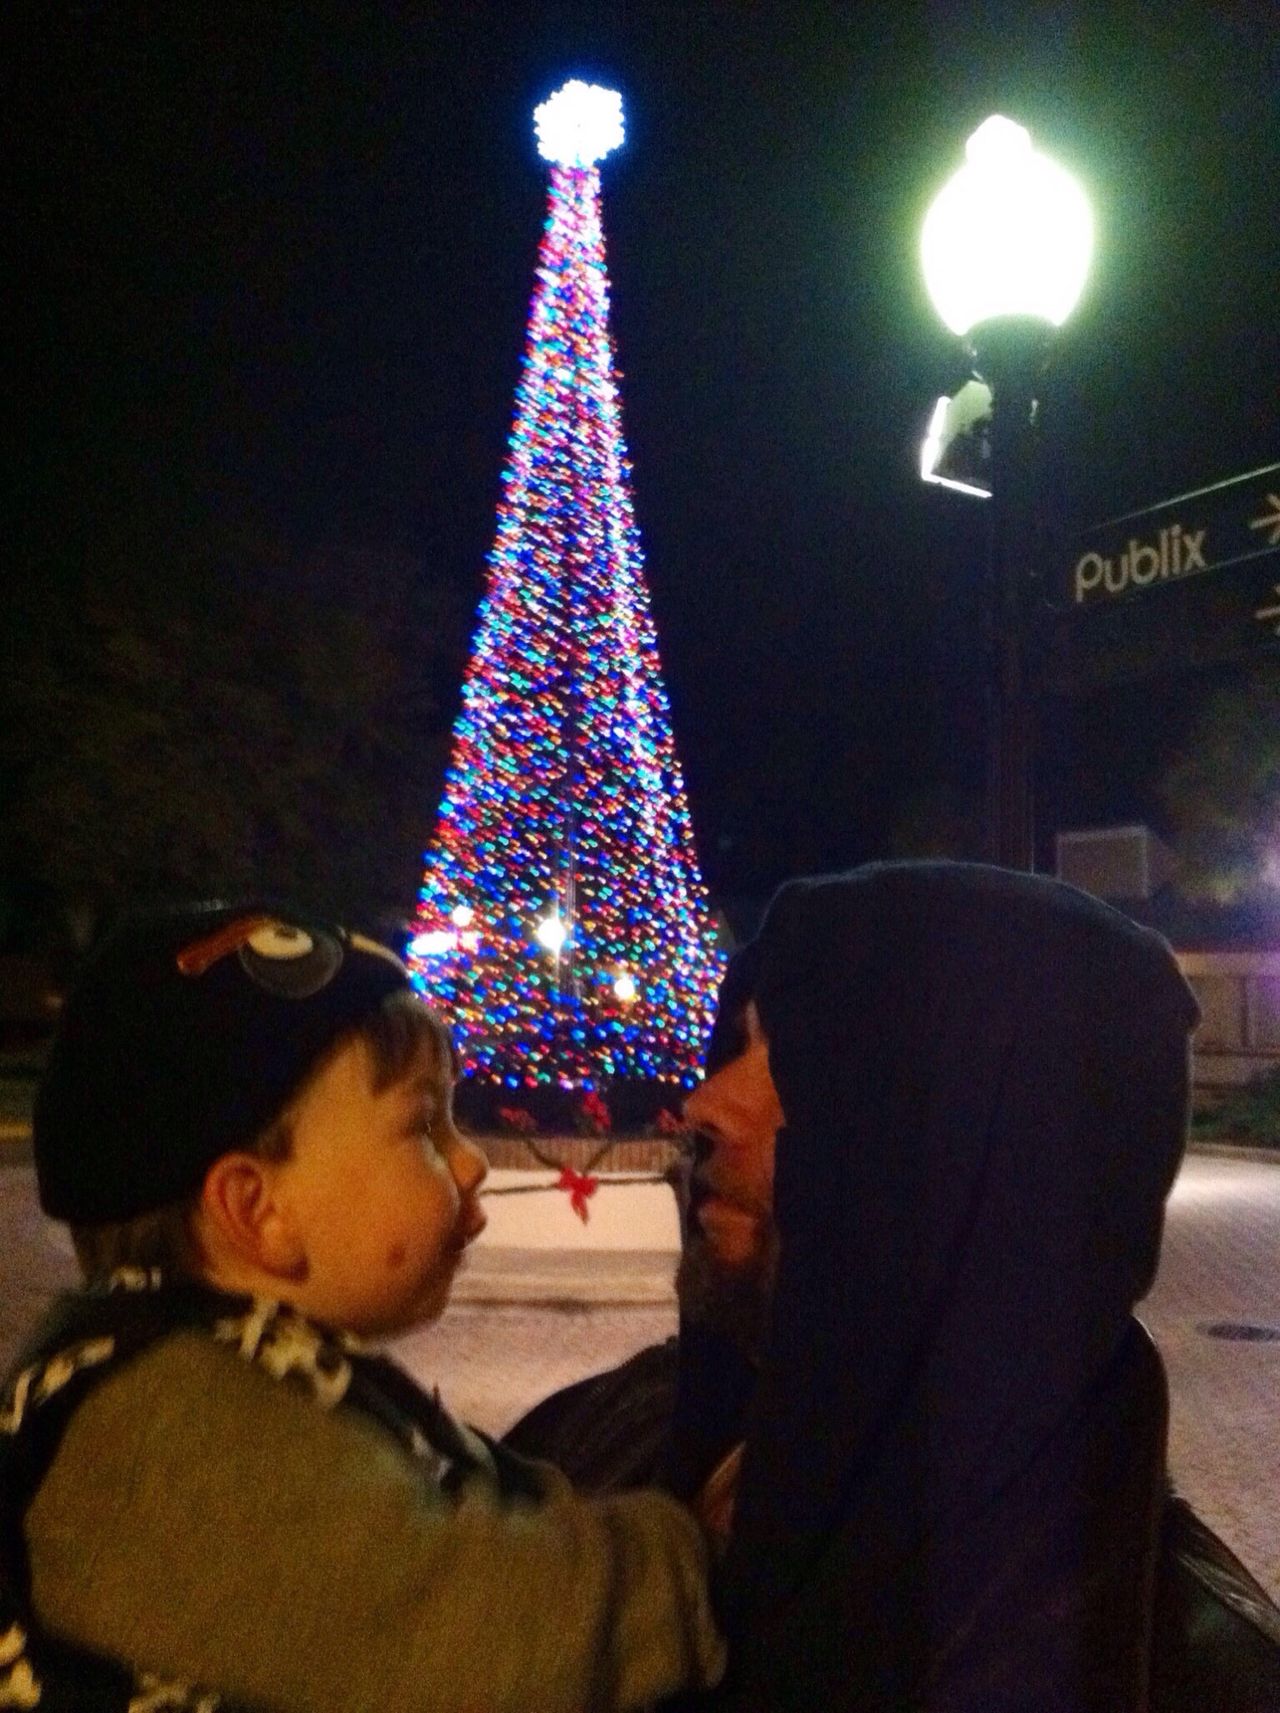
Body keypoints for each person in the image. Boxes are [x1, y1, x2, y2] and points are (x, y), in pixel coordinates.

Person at [506, 860, 1280, 1710]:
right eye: (739, 1042)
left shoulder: (1187, 1675)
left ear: (965, 1147)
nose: (705, 1102)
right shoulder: (591, 1442)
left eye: (801, 1064)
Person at [0, 902, 724, 1712]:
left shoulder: (233, 1382)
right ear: (258, 1209)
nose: (472, 1160)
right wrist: (688, 1551)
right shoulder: (155, 1429)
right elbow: (493, 1640)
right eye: (423, 1122)